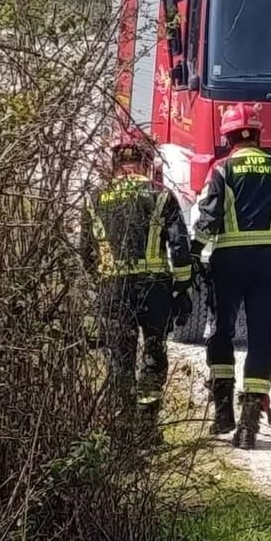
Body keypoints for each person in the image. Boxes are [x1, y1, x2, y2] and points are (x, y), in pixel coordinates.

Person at [193, 103, 271, 449]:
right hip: (270, 260)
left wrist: (193, 252)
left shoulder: (222, 169)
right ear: (258, 133)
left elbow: (209, 217)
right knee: (260, 338)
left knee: (221, 331)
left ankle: (223, 412)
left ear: (227, 137)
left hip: (229, 260)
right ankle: (249, 424)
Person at [78, 130, 193, 438]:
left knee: (119, 356)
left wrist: (99, 284)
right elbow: (180, 248)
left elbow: (85, 251)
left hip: (113, 290)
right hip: (155, 288)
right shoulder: (161, 195)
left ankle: (122, 425)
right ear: (146, 161)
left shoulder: (94, 198)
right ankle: (147, 428)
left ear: (114, 162)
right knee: (154, 353)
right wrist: (183, 289)